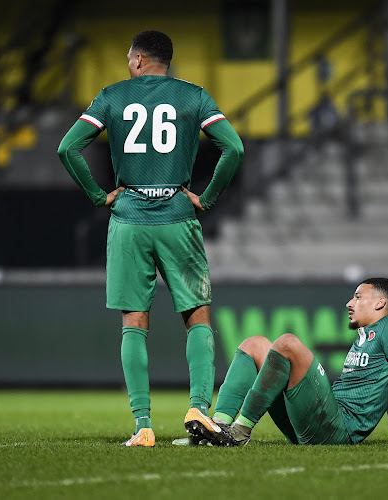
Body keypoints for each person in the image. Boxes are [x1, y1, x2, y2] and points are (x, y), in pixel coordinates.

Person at [57, 30, 244, 447]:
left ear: (138, 60)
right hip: (178, 217)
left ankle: (143, 426)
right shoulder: (194, 96)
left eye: (129, 58)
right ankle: (199, 407)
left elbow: (68, 149)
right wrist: (207, 198)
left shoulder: (112, 96)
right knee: (197, 317)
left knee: (134, 324)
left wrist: (97, 196)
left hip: (128, 220)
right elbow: (234, 149)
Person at [187, 277, 388, 447]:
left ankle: (239, 432)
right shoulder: (369, 335)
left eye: (359, 297)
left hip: (337, 429)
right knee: (255, 343)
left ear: (380, 303)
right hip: (320, 422)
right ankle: (218, 428)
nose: (350, 303)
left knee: (288, 343)